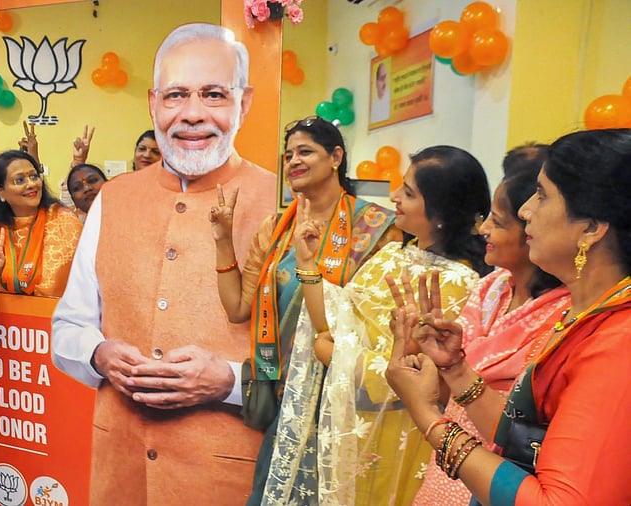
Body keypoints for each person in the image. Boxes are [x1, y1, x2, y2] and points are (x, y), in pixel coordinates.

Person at [51, 23, 277, 505]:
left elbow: (318, 368)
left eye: (214, 94)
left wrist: (230, 381)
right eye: (176, 95)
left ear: (244, 103)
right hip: (119, 473)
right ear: (154, 104)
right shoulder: (112, 198)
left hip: (230, 479)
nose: (192, 114)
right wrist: (98, 354)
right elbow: (68, 326)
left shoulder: (282, 205)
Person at [386, 128, 631, 506]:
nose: (526, 210)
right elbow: (528, 442)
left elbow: (554, 501)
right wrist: (455, 369)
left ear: (592, 228)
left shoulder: (618, 342)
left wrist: (427, 416)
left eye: (543, 195)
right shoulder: (587, 313)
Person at [265, 145, 490, 505]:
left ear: (441, 212)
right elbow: (334, 321)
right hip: (351, 426)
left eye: (409, 192)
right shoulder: (391, 254)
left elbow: (412, 377)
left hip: (403, 436)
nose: (394, 196)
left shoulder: (460, 282)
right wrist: (307, 264)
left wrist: (333, 354)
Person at [210, 116, 400, 504]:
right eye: (288, 155)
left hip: (344, 398)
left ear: (336, 157)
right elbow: (238, 309)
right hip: (286, 397)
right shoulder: (277, 229)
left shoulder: (376, 229)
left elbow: (379, 327)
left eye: (305, 152)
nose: (293, 161)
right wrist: (222, 238)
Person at [403, 146, 569, 505]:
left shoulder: (565, 315)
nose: (483, 229)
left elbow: (518, 431)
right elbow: (451, 391)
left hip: (499, 476)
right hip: (447, 464)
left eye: (498, 221)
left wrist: (428, 402)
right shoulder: (491, 287)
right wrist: (419, 356)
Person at [0, 150, 82, 297]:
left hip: (57, 309)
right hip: (5, 310)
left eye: (34, 176)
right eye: (19, 180)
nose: (31, 184)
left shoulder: (63, 221)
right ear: (0, 191)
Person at [370, 59, 391, 125]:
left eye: (385, 78)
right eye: (381, 78)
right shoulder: (374, 105)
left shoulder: (390, 99)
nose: (384, 83)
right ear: (376, 83)